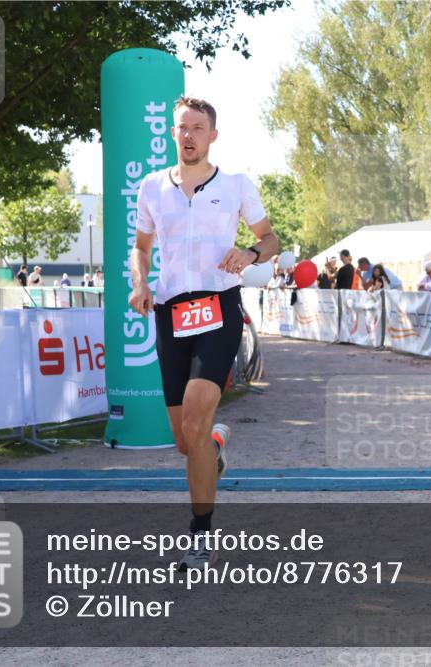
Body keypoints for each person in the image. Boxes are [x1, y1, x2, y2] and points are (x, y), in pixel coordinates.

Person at [128, 96, 280, 570]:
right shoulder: (152, 187)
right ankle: (213, 446)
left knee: (193, 421)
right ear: (172, 134)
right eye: (181, 127)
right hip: (171, 314)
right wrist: (140, 282)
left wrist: (252, 255)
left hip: (218, 309)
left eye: (197, 127)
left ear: (213, 135)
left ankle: (200, 537)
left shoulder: (235, 185)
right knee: (185, 440)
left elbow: (271, 239)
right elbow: (141, 245)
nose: (188, 135)